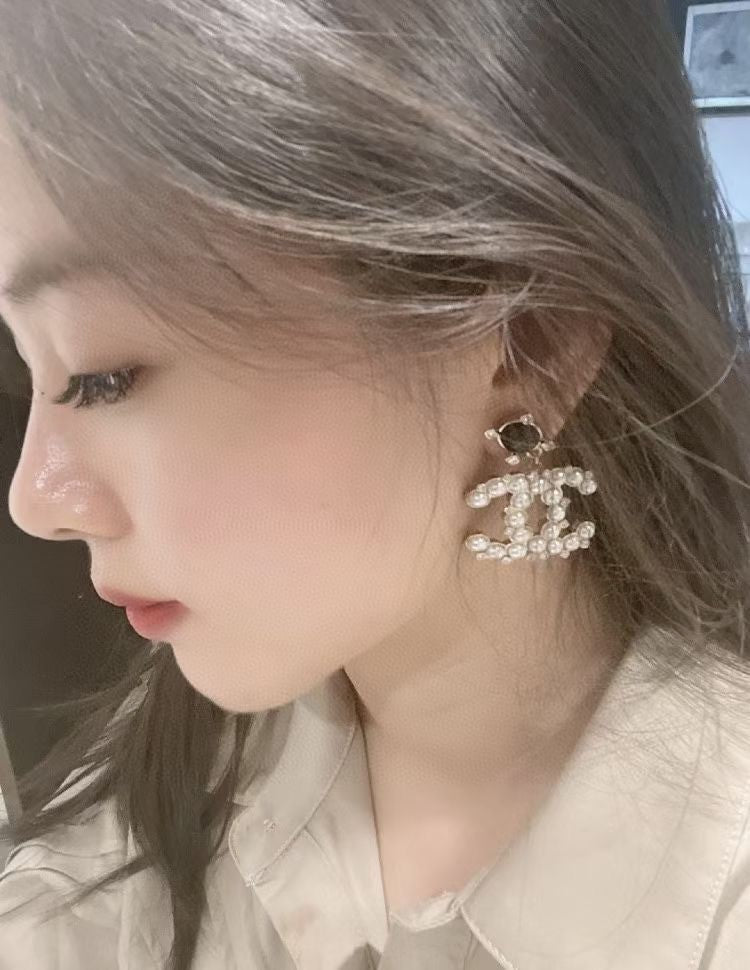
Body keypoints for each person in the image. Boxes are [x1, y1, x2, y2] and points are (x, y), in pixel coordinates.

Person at [0, 1, 749, 967]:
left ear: (531, 346)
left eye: (104, 374)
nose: (35, 499)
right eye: (28, 368)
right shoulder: (148, 804)